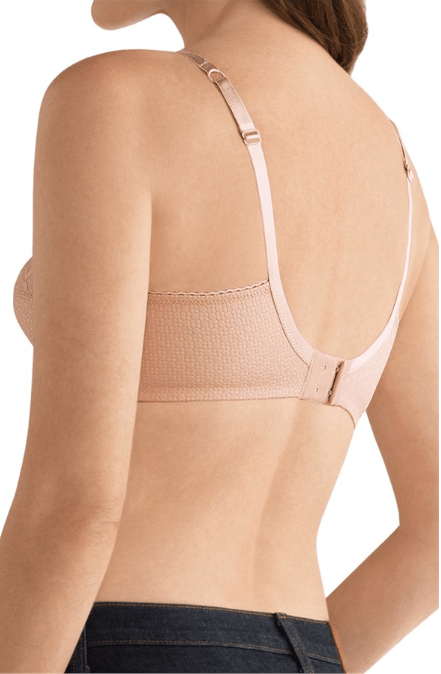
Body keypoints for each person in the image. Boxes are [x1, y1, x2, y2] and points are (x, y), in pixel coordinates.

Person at [0, 1, 438, 672]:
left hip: (121, 641)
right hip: (307, 649)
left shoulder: (114, 99)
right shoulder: (397, 170)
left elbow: (75, 507)